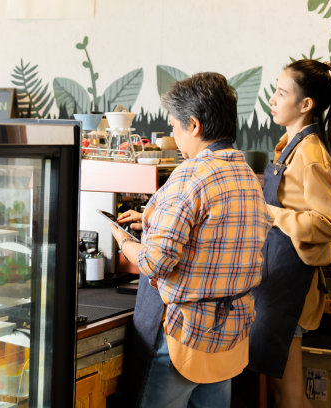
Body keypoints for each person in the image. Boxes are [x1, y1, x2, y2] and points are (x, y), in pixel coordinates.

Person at [110, 72, 271, 407]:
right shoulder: (246, 176)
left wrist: (123, 240)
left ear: (194, 125)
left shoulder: (190, 175)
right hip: (228, 334)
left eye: (174, 126)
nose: (173, 134)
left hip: (184, 336)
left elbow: (156, 263)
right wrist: (152, 218)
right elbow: (215, 227)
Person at [247, 59, 331, 408]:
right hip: (275, 277)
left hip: (293, 285)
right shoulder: (289, 144)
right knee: (279, 390)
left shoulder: (311, 154)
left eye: (280, 93)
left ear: (306, 105)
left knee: (289, 395)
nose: (272, 100)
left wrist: (273, 215)